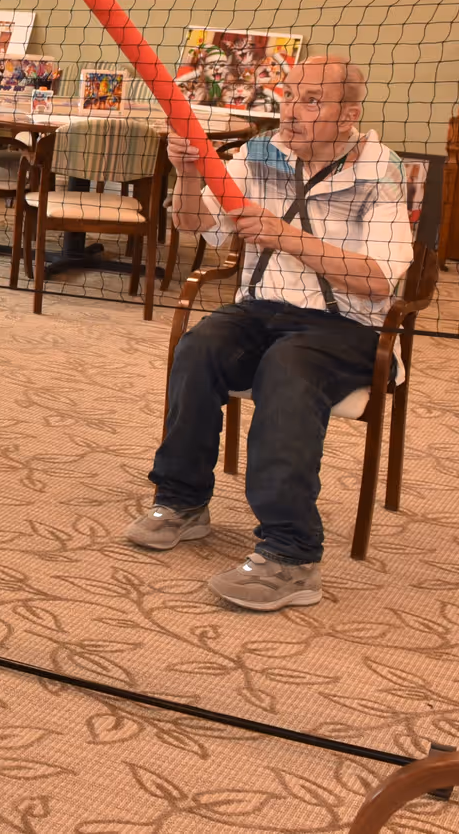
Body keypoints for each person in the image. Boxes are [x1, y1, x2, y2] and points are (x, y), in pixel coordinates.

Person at [128, 56, 414, 611]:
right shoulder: (260, 153)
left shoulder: (381, 170)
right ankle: (182, 501)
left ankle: (291, 554)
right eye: (289, 98)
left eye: (312, 101)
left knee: (289, 367)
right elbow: (196, 225)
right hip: (262, 311)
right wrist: (189, 174)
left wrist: (285, 236)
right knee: (200, 346)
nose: (292, 112)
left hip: (348, 326)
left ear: (349, 115)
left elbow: (378, 281)